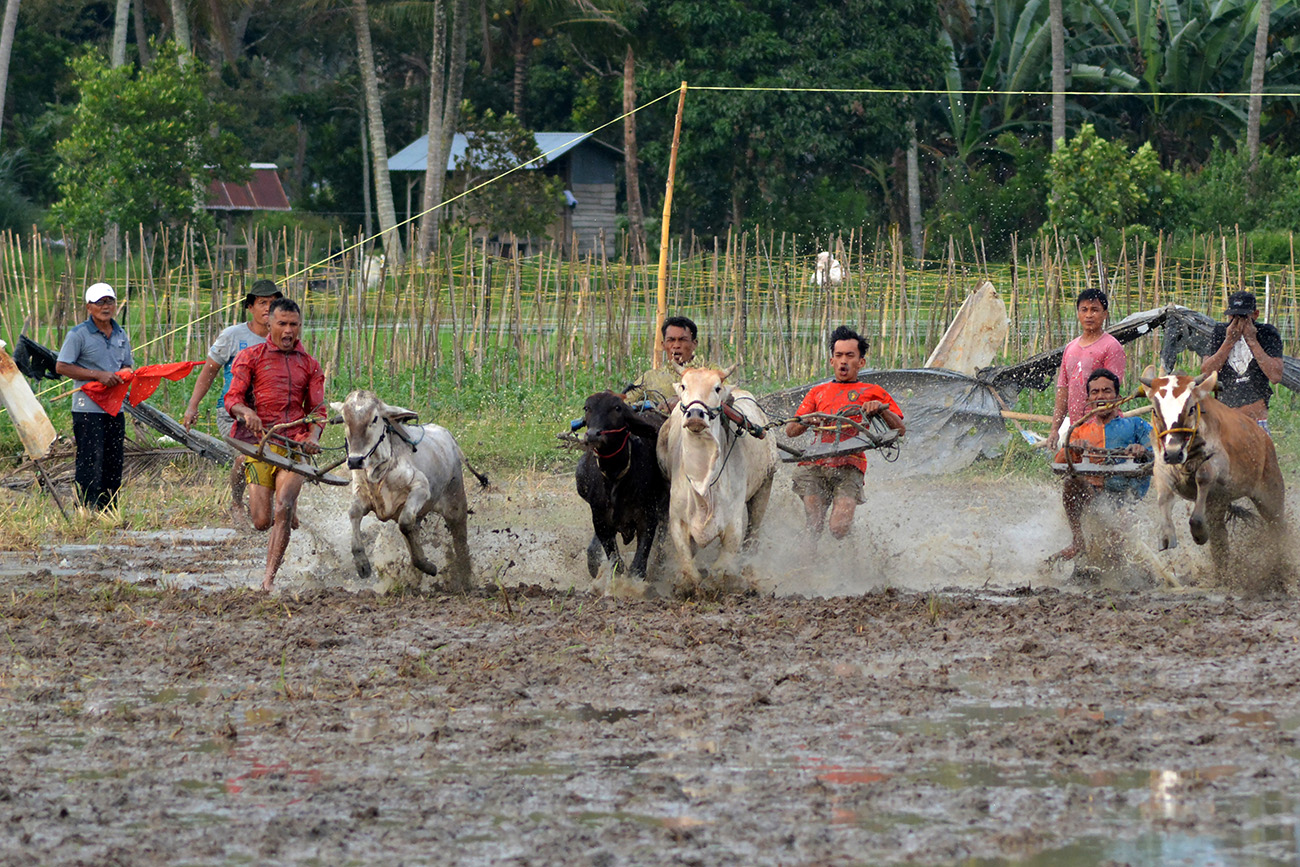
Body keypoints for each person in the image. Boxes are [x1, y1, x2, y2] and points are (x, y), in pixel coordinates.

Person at [224, 298, 325, 591]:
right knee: (261, 520)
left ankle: (268, 580)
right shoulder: (251, 357)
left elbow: (318, 411)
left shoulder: (310, 365)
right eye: (282, 323)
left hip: (294, 445)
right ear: (269, 323)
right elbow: (233, 399)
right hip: (259, 445)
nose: (288, 330)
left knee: (282, 506)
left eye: (294, 324)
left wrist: (312, 437)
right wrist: (246, 412)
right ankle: (279, 505)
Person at [785, 325, 905, 539]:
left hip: (850, 465)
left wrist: (879, 408)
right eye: (838, 355)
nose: (843, 361)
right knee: (814, 526)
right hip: (814, 465)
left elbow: (900, 429)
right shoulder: (817, 392)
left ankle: (848, 554)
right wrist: (808, 419)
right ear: (831, 361)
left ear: (861, 362)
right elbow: (791, 430)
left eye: (850, 355)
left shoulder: (873, 392)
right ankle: (806, 569)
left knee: (839, 528)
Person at [182, 278, 284, 516]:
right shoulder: (233, 336)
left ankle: (275, 506)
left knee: (275, 459)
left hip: (267, 417)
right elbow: (209, 372)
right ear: (250, 307)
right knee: (243, 458)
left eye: (273, 303)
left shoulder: (281, 337)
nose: (267, 308)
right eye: (262, 302)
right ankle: (237, 502)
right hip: (231, 414)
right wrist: (192, 406)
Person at [1053, 368, 1152, 562]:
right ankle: (1078, 540)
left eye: (1107, 391)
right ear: (1089, 400)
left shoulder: (1136, 425)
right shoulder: (1079, 431)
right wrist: (1074, 449)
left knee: (1117, 550)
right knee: (1070, 483)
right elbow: (1059, 462)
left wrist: (1142, 451)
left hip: (1126, 499)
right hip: (1092, 497)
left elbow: (1160, 451)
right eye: (1095, 392)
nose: (1101, 396)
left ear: (1118, 397)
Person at [55, 283, 134, 511]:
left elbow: (127, 363)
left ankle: (109, 508)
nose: (105, 307)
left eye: (109, 301)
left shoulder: (120, 334)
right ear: (89, 307)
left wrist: (126, 372)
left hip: (115, 407)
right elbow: (62, 366)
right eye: (99, 302)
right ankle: (87, 508)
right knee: (90, 459)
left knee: (113, 460)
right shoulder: (78, 334)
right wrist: (98, 376)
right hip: (87, 408)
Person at [1048, 288, 1126, 450]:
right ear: (1078, 313)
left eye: (1095, 310)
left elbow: (1111, 393)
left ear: (1105, 314)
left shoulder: (1111, 347)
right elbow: (1063, 390)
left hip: (1105, 429)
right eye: (1084, 310)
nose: (1089, 315)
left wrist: (1096, 429)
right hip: (1077, 427)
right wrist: (1055, 429)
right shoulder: (1070, 348)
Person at [1199, 290, 1284, 433]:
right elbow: (1206, 373)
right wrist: (1228, 341)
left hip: (1256, 420)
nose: (1238, 322)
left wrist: (1252, 340)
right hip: (1225, 420)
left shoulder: (1266, 333)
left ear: (1255, 315)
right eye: (1234, 317)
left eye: (1243, 316)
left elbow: (1275, 376)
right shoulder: (1220, 332)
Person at [623, 315, 698, 408]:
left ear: (694, 344)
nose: (676, 345)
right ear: (663, 345)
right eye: (671, 340)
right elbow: (623, 402)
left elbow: (720, 399)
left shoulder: (710, 373)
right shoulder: (650, 378)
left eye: (682, 340)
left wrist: (683, 400)